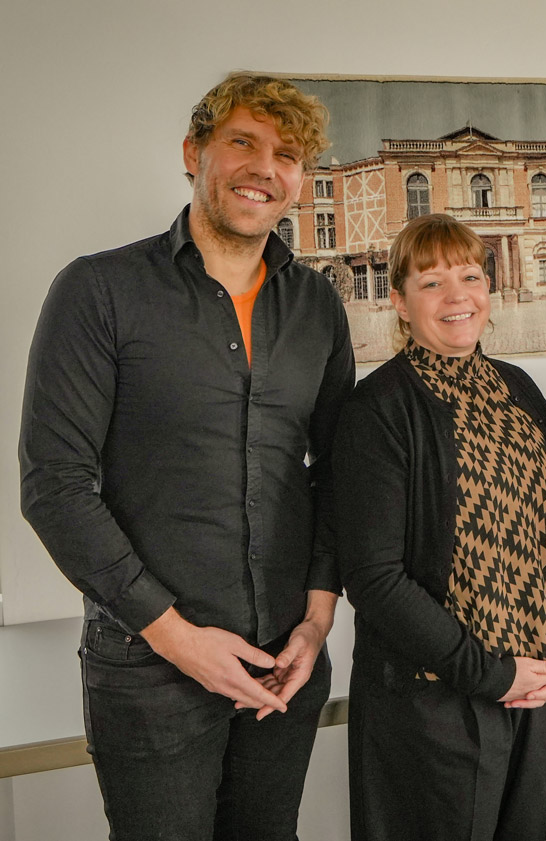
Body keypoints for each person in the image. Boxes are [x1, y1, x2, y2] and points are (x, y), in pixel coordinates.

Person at [19, 73, 355, 839]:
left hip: (284, 657)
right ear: (193, 152)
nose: (265, 168)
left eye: (288, 155)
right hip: (148, 664)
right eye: (243, 142)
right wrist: (180, 638)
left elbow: (334, 471)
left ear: (300, 181)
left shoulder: (317, 304)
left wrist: (316, 618)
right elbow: (55, 487)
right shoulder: (98, 290)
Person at [333, 213, 546, 841]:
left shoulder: (521, 389)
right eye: (431, 282)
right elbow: (374, 578)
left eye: (471, 276)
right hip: (430, 703)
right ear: (398, 301)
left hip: (533, 688)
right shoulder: (377, 410)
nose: (457, 297)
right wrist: (490, 674)